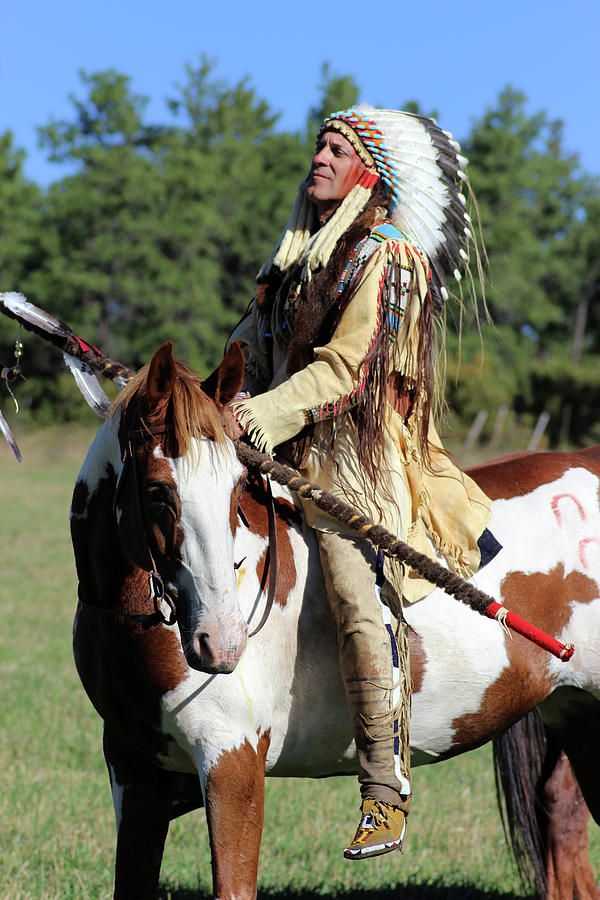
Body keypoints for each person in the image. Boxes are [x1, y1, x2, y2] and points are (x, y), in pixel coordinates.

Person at [225, 105, 499, 860]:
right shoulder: (295, 259)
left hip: (357, 460)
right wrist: (210, 396)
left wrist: (264, 413)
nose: (320, 154)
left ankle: (385, 790)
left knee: (353, 591)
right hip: (274, 440)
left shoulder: (389, 256)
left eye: (338, 147)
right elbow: (247, 345)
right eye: (319, 143)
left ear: (368, 175)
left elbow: (349, 371)